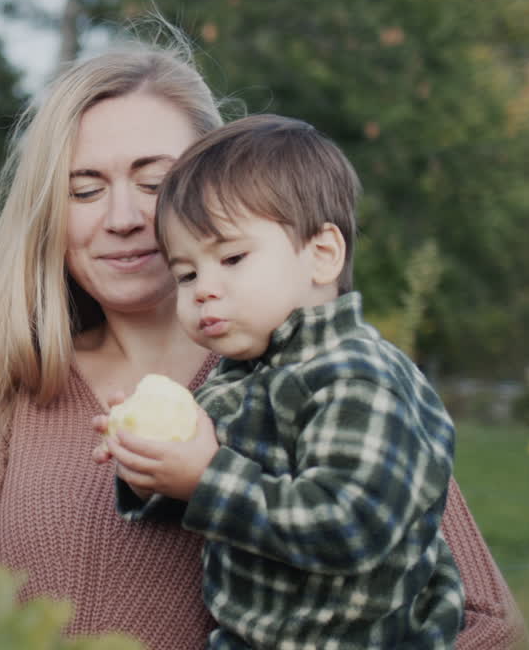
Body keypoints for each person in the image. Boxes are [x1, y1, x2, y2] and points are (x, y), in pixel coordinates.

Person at [0, 26, 529, 650]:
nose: (124, 218)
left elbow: (485, 625)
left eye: (153, 182)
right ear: (48, 211)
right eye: (85, 189)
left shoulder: (321, 380)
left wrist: (210, 475)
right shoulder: (15, 381)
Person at [107, 114, 463, 649]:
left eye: (231, 257)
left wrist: (205, 478)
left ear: (322, 255)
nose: (204, 288)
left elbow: (349, 524)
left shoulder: (357, 377)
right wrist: (149, 469)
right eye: (186, 274)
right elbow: (222, 496)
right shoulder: (237, 379)